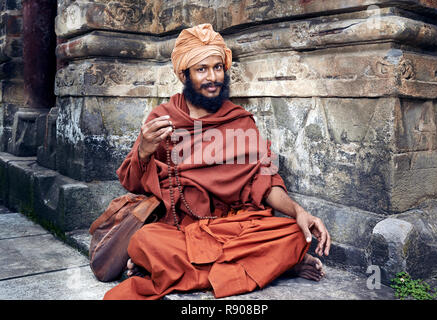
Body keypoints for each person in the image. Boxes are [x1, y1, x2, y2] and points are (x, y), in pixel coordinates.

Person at [103, 23, 331, 300]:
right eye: (202, 69)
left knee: (293, 234)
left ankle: (171, 271)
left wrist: (298, 212)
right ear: (184, 75)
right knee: (145, 240)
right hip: (182, 229)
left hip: (233, 226)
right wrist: (144, 151)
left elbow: (266, 182)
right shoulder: (163, 119)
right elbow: (132, 182)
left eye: (218, 67)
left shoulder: (241, 120)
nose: (213, 77)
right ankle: (273, 266)